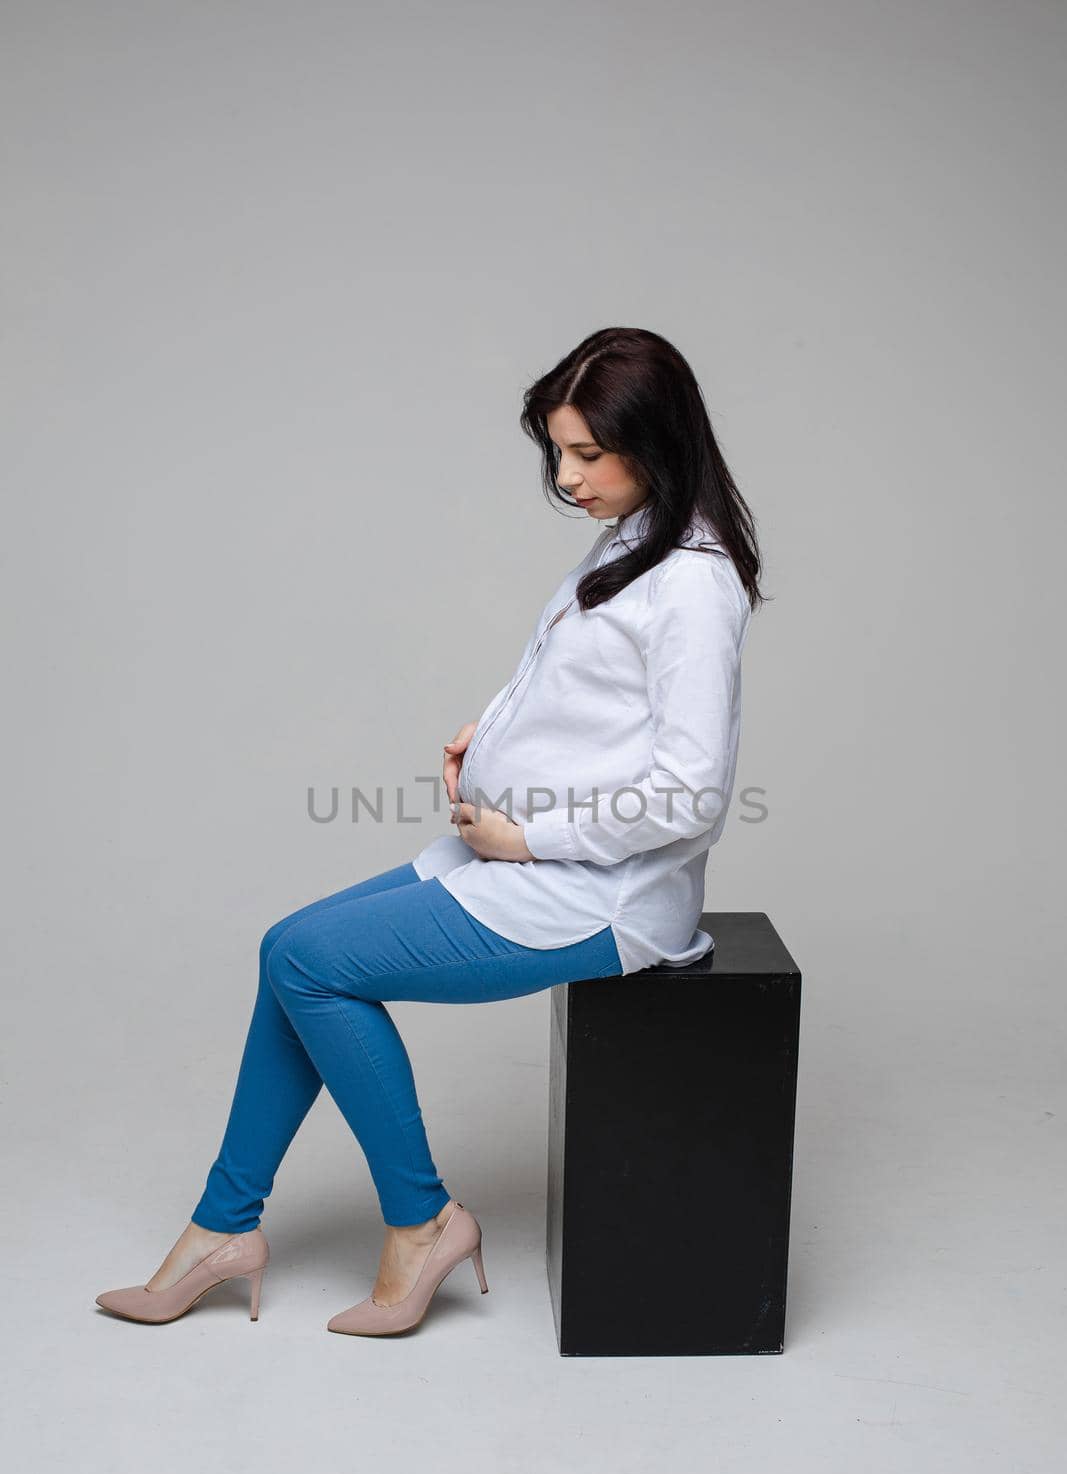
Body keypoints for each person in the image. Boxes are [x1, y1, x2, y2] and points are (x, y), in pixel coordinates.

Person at [95, 325, 766, 1336]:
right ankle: (220, 1228)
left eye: (587, 452)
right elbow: (582, 697)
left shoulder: (693, 581)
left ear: (659, 441)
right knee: (291, 951)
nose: (566, 475)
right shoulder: (633, 540)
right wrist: (487, 735)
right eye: (556, 450)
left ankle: (421, 1220)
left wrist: (525, 838)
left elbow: (690, 793)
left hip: (593, 896)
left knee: (313, 965)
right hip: (516, 858)